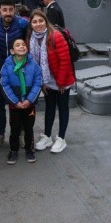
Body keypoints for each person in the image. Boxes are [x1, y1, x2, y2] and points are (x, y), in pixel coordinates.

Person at [0, 0, 29, 149]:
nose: (8, 13)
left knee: (19, 102)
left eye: (11, 9)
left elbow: (28, 41)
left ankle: (21, 133)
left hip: (17, 69)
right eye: (5, 10)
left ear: (15, 9)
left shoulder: (22, 23)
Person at [30, 10, 75, 153]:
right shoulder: (32, 38)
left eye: (41, 21)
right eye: (34, 22)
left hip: (62, 79)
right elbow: (35, 63)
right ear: (31, 24)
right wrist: (42, 82)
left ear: (46, 21)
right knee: (49, 107)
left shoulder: (55, 36)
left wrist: (61, 82)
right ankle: (47, 136)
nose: (38, 24)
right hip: (47, 79)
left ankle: (61, 138)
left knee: (62, 107)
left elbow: (65, 60)